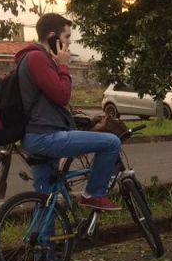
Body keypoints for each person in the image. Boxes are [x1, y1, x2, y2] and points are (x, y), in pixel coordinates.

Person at [19, 13, 122, 211]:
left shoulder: (34, 58)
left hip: (35, 135)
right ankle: (93, 194)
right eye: (66, 37)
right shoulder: (37, 58)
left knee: (46, 197)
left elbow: (49, 100)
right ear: (52, 36)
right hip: (45, 137)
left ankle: (43, 241)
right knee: (111, 142)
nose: (68, 43)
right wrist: (63, 66)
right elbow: (62, 95)